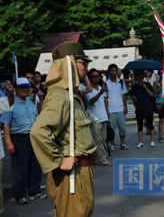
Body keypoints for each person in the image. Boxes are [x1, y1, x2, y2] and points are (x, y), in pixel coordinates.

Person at [30, 42, 97, 217]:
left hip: (80, 173)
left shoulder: (70, 94)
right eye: (84, 63)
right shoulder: (60, 95)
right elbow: (39, 131)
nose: (86, 68)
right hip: (71, 176)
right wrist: (59, 161)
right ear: (70, 63)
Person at [1, 77, 47, 204]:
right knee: (20, 169)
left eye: (27, 87)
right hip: (19, 138)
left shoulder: (30, 101)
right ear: (15, 89)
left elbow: (37, 116)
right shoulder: (10, 103)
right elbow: (6, 124)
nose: (25, 90)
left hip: (33, 137)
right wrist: (9, 143)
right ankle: (20, 194)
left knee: (35, 166)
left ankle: (34, 191)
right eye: (22, 88)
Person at [85, 68, 111, 165]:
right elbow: (91, 101)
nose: (96, 78)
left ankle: (94, 156)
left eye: (97, 76)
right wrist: (100, 93)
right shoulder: (88, 89)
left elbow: (104, 101)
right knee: (98, 141)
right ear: (90, 78)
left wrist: (107, 111)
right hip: (94, 118)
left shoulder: (100, 87)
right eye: (93, 77)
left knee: (103, 139)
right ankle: (104, 159)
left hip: (103, 116)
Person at [129, 70, 156, 147]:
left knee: (150, 124)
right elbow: (131, 95)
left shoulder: (147, 84)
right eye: (137, 76)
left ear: (143, 76)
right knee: (139, 125)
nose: (139, 77)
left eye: (140, 75)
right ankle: (140, 142)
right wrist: (134, 98)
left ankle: (152, 141)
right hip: (139, 107)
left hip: (148, 107)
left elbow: (152, 95)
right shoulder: (134, 86)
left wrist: (145, 87)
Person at [105, 64, 129, 150]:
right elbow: (105, 98)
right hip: (111, 110)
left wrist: (125, 107)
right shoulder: (106, 84)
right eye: (112, 70)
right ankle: (113, 144)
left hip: (120, 109)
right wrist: (107, 110)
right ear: (109, 72)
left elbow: (124, 96)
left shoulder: (121, 82)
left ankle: (123, 143)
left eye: (115, 70)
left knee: (122, 128)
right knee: (112, 129)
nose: (113, 72)